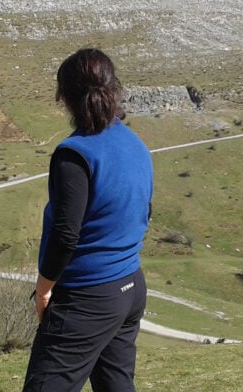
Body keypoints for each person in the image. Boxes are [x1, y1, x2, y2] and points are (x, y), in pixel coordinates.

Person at [23, 48, 154, 392]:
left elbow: (66, 234)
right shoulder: (134, 142)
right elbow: (144, 210)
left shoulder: (75, 154)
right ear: (113, 88)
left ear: (64, 97)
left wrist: (43, 289)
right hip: (130, 287)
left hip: (86, 298)